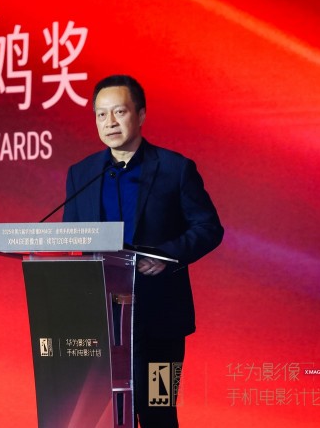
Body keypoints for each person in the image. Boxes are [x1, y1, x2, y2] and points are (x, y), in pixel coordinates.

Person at [63, 75, 223, 427]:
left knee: (159, 412)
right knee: (104, 416)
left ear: (141, 115)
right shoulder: (82, 174)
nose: (109, 122)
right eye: (101, 114)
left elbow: (209, 228)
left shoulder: (175, 169)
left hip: (161, 320)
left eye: (119, 112)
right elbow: (70, 236)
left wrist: (166, 256)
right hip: (101, 323)